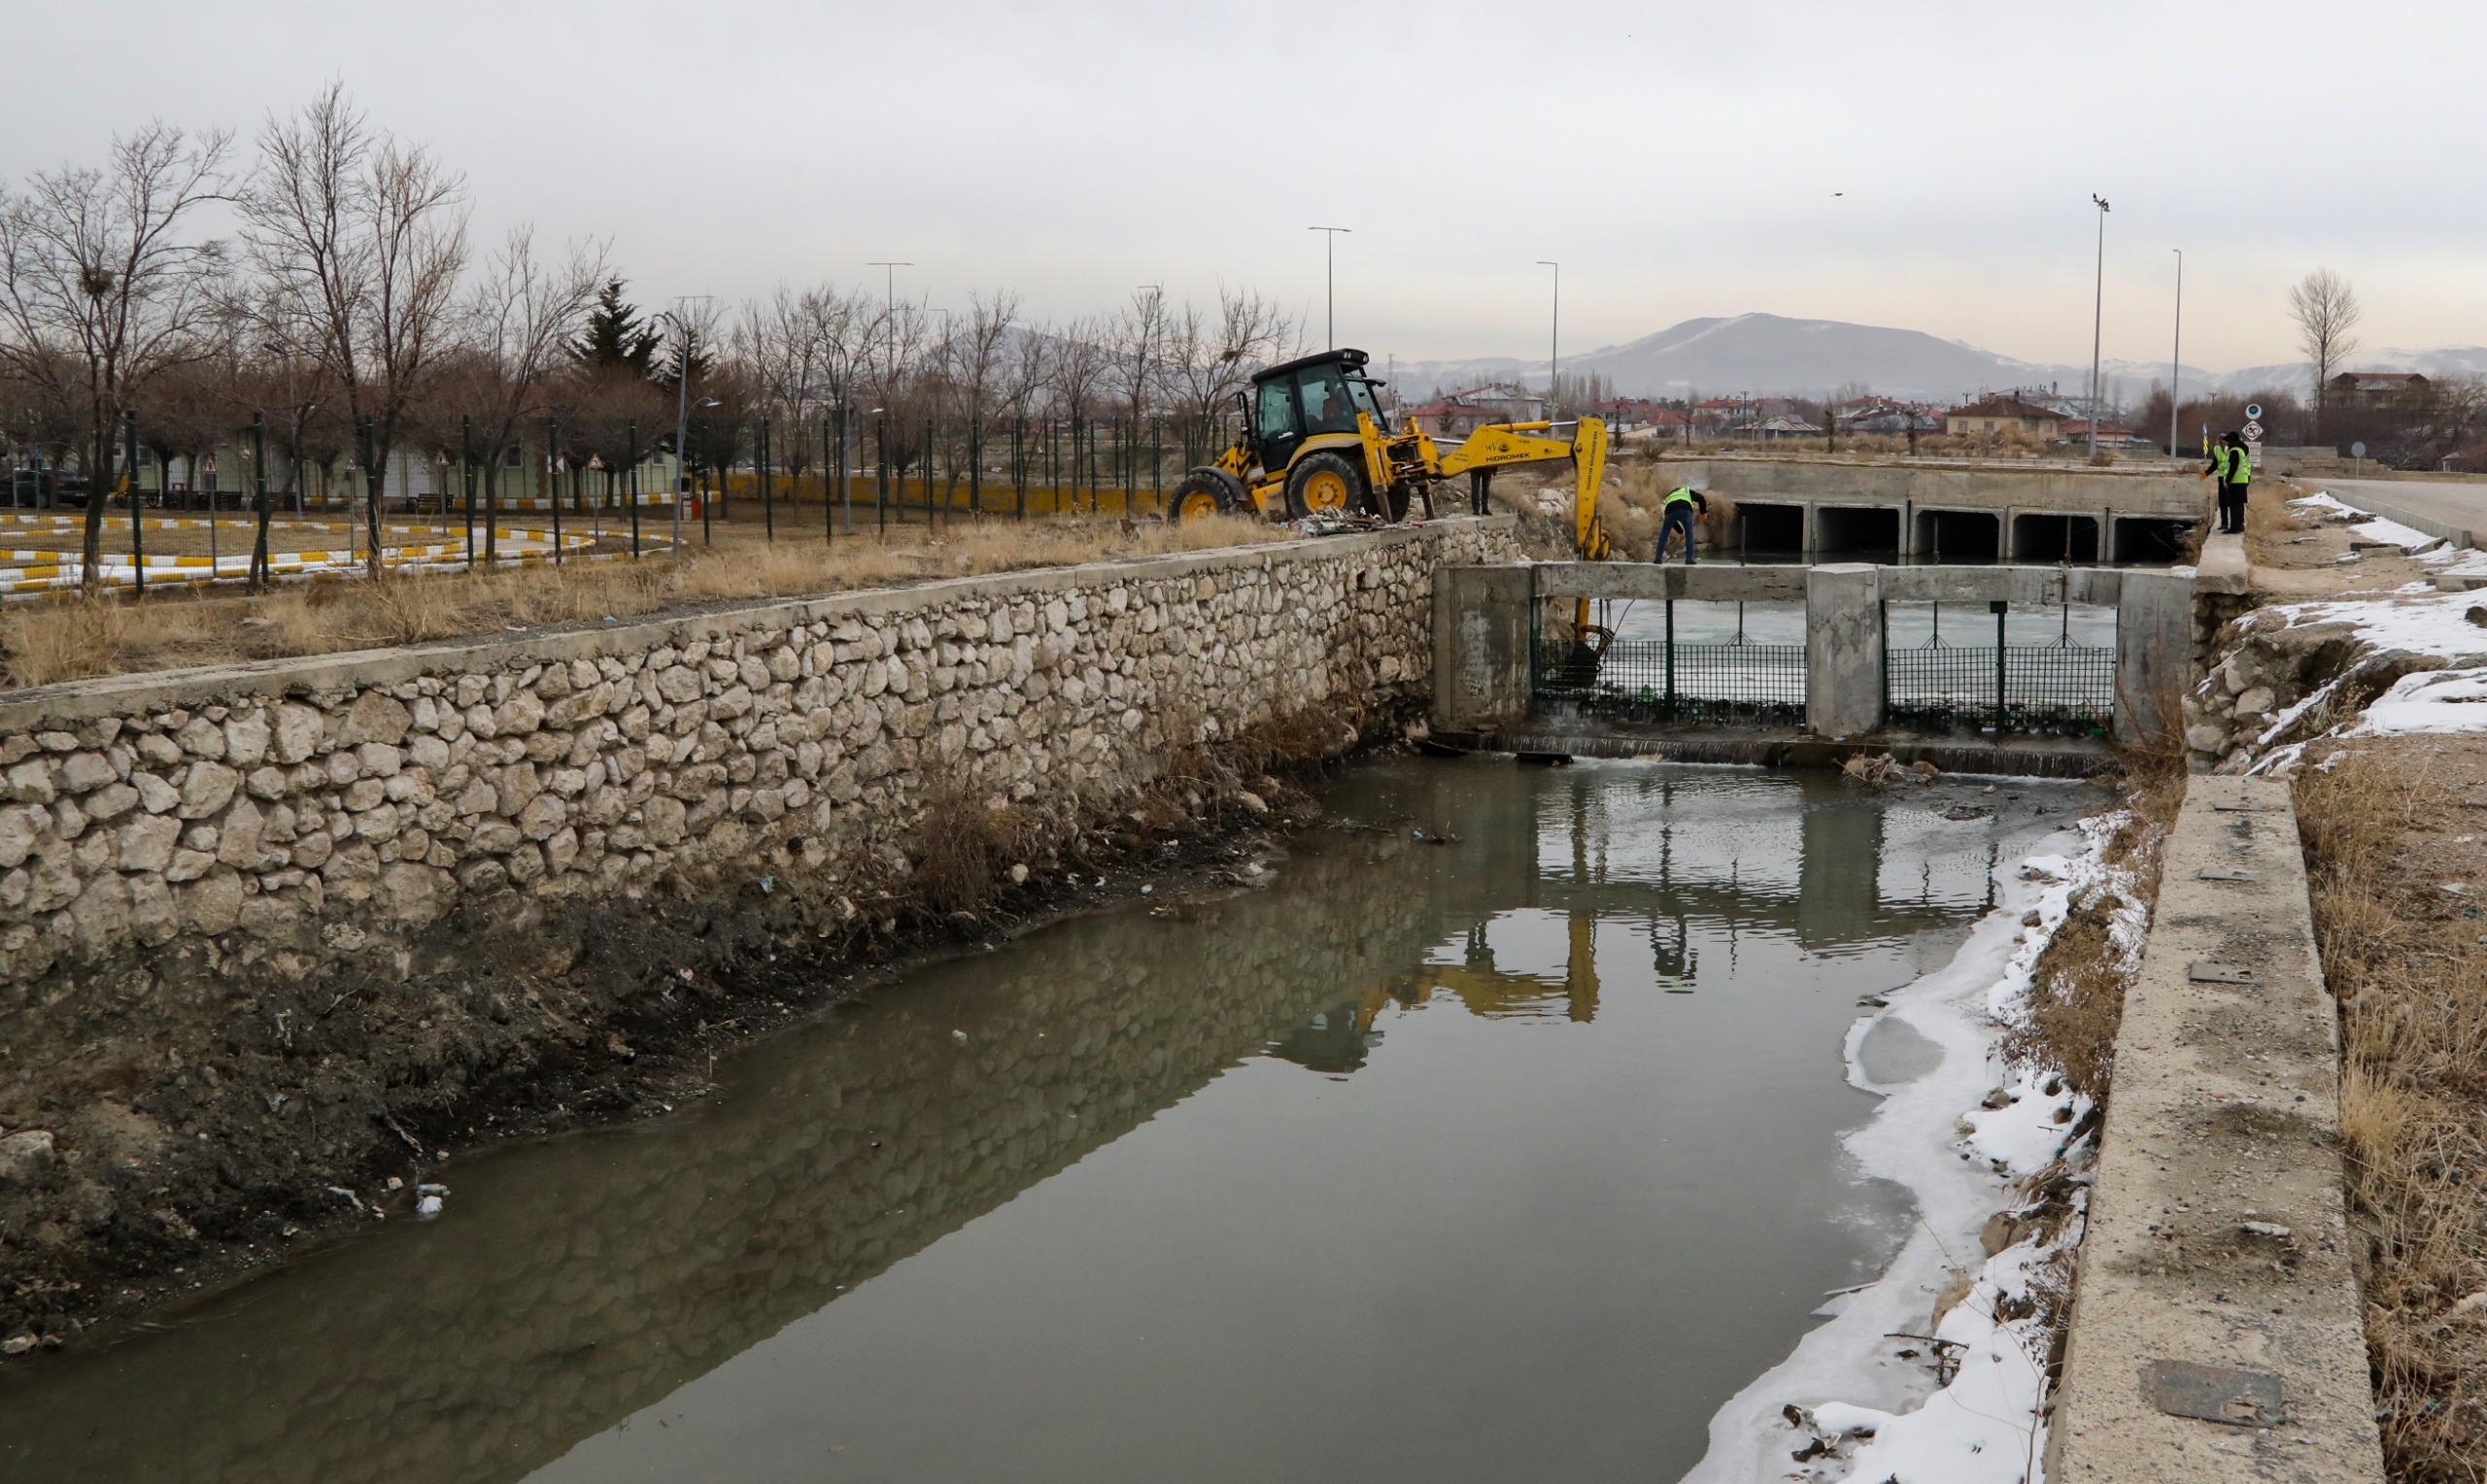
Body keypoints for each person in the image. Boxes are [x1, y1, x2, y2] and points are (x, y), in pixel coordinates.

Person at [1654, 485, 1708, 563]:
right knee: (1689, 534)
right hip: (1685, 509)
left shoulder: (1669, 496)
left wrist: (1680, 532)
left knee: (1664, 534)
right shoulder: (1686, 490)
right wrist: (1703, 513)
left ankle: (1658, 559)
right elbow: (1701, 498)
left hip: (1670, 510)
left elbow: (1673, 523)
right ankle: (1689, 559)